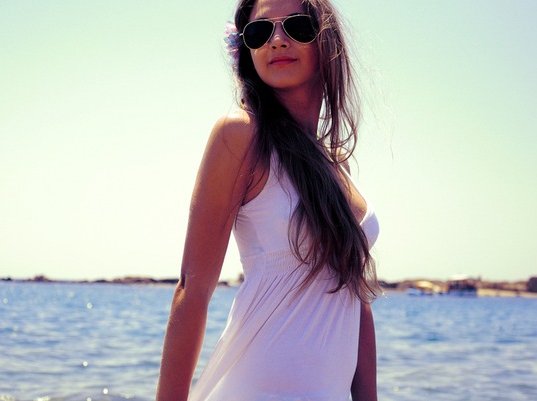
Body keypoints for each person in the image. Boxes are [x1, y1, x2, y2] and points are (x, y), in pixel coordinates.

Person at [156, 0, 380, 400]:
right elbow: (193, 288)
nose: (277, 40)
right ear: (247, 49)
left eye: (297, 26)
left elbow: (355, 299)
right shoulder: (240, 137)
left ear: (326, 40)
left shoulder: (335, 165)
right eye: (260, 32)